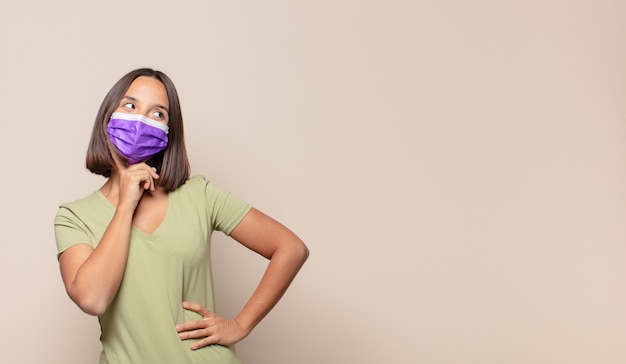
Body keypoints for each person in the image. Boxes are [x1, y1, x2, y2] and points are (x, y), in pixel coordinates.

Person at [54, 68, 309, 364]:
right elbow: (93, 298)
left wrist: (240, 325)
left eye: (158, 114)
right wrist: (126, 205)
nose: (141, 120)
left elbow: (291, 248)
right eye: (130, 106)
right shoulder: (74, 217)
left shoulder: (199, 195)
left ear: (168, 133)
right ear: (107, 117)